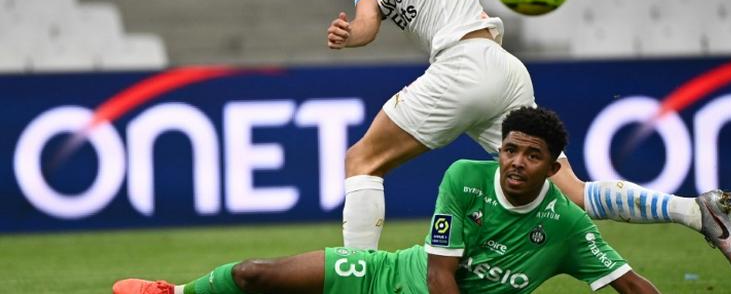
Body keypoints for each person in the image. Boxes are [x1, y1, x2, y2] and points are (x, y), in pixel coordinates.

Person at [323, 0, 731, 277]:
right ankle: (696, 211)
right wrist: (348, 35)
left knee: (361, 160)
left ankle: (355, 279)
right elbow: (367, 24)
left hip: (465, 62)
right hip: (501, 74)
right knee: (573, 193)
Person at [112, 106, 662, 294]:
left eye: (532, 155)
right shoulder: (466, 176)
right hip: (387, 276)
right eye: (511, 150)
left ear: (553, 165)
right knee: (257, 275)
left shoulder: (565, 224)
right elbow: (440, 275)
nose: (517, 162)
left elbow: (631, 284)